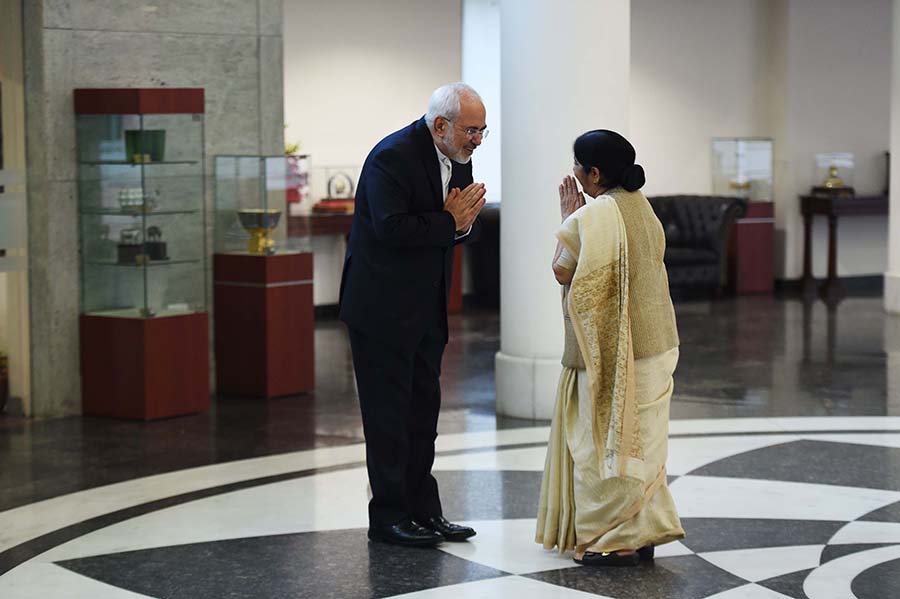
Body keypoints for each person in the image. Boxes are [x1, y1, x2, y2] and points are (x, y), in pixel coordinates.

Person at [339, 83, 488, 547]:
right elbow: (390, 228)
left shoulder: (459, 156)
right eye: (470, 130)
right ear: (440, 125)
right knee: (388, 418)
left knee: (423, 415)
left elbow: (456, 227)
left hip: (426, 309)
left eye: (483, 131)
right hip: (381, 310)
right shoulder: (392, 157)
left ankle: (424, 511)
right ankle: (387, 516)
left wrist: (457, 225)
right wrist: (449, 222)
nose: (477, 140)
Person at [535, 129, 685, 566]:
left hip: (611, 351)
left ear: (594, 173)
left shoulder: (593, 215)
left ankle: (610, 538)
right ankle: (644, 532)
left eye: (578, 165)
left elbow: (563, 272)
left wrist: (568, 216)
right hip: (658, 344)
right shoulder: (645, 209)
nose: (575, 173)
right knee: (645, 445)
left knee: (601, 444)